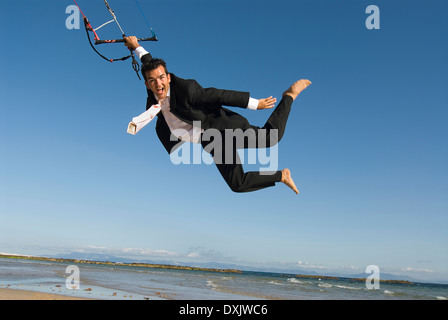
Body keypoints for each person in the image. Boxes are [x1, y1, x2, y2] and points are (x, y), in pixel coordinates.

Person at [124, 36, 311, 194]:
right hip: (212, 141)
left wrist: (255, 104)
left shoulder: (187, 90)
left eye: (162, 78)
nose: (158, 84)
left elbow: (218, 94)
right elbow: (148, 63)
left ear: (169, 77)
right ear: (147, 84)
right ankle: (282, 175)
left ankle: (289, 96)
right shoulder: (153, 94)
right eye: (153, 81)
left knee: (271, 138)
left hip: (222, 127)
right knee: (237, 184)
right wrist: (136, 46)